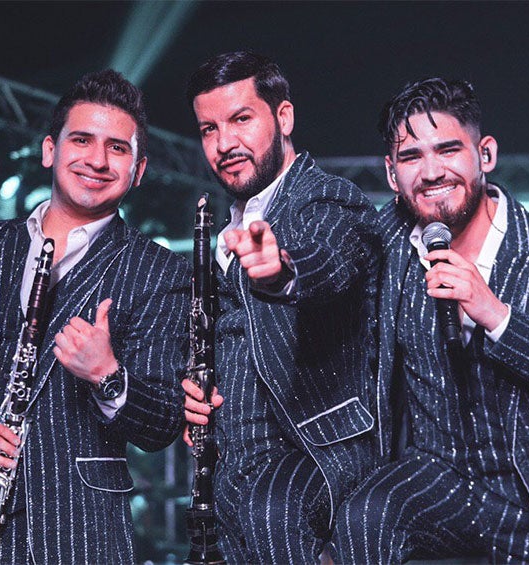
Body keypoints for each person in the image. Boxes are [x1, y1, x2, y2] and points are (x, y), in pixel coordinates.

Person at [332, 77, 529, 563]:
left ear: (485, 154)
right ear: (391, 173)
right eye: (411, 157)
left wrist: (495, 313)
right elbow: (316, 278)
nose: (431, 172)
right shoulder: (384, 247)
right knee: (365, 515)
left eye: (448, 150)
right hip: (440, 480)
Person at [0, 70, 190, 563]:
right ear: (49, 150)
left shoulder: (161, 271)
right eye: (81, 140)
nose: (97, 160)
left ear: (138, 170)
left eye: (117, 148)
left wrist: (107, 374)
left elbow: (162, 423)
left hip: (79, 532)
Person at [181, 51, 382, 563]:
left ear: (284, 117)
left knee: (272, 511)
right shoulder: (225, 227)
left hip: (312, 460)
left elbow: (331, 258)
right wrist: (196, 397)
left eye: (241, 119)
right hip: (232, 473)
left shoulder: (328, 199)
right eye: (209, 129)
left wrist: (283, 271)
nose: (225, 143)